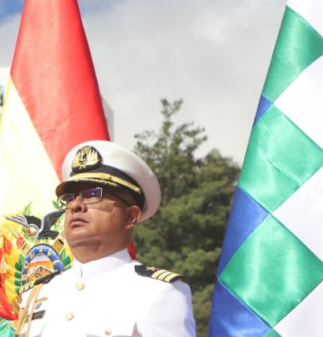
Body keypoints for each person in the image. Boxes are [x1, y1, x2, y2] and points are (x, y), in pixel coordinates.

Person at [14, 140, 195, 337]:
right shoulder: (36, 295)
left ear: (130, 216)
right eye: (69, 198)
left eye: (92, 194)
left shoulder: (159, 291)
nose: (75, 205)